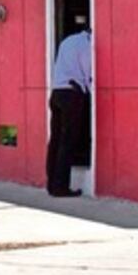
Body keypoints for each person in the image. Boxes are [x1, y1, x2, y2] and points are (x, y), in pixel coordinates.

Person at [46, 27, 92, 197]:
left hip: (56, 92)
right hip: (71, 94)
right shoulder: (86, 44)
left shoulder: (67, 41)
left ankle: (51, 184)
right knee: (67, 142)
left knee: (55, 140)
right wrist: (89, 92)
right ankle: (61, 187)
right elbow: (87, 71)